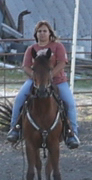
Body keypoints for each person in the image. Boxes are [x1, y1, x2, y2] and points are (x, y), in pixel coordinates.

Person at [8, 20, 79, 149]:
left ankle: (72, 133)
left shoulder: (57, 47)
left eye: (45, 31)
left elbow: (62, 62)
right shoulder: (31, 49)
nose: (42, 33)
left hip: (58, 80)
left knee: (70, 103)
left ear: (50, 33)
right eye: (39, 31)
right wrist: (36, 77)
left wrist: (49, 76)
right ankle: (15, 128)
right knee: (19, 99)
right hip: (35, 80)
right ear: (36, 34)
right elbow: (26, 66)